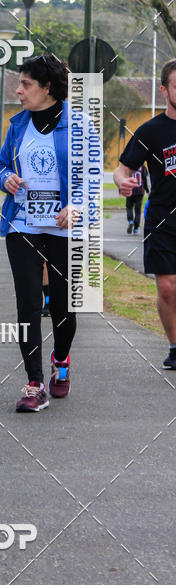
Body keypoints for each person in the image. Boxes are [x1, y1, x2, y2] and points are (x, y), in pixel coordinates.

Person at [0, 54, 83, 413]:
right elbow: (0, 167)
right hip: (23, 224)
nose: (18, 90)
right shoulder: (17, 126)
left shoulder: (78, 125)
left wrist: (75, 206)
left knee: (62, 305)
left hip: (64, 228)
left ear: (48, 88)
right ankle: (33, 384)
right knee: (29, 302)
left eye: (26, 84)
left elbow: (90, 178)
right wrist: (6, 179)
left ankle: (60, 359)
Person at [114, 59, 176, 370]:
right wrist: (122, 182)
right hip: (163, 219)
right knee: (166, 286)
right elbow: (122, 168)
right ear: (164, 89)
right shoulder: (151, 131)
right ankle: (175, 346)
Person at [124, 164, 148, 235]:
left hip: (130, 189)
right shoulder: (142, 167)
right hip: (140, 190)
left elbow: (125, 177)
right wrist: (147, 189)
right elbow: (144, 178)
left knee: (129, 206)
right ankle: (135, 228)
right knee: (138, 210)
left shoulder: (129, 165)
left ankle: (131, 220)